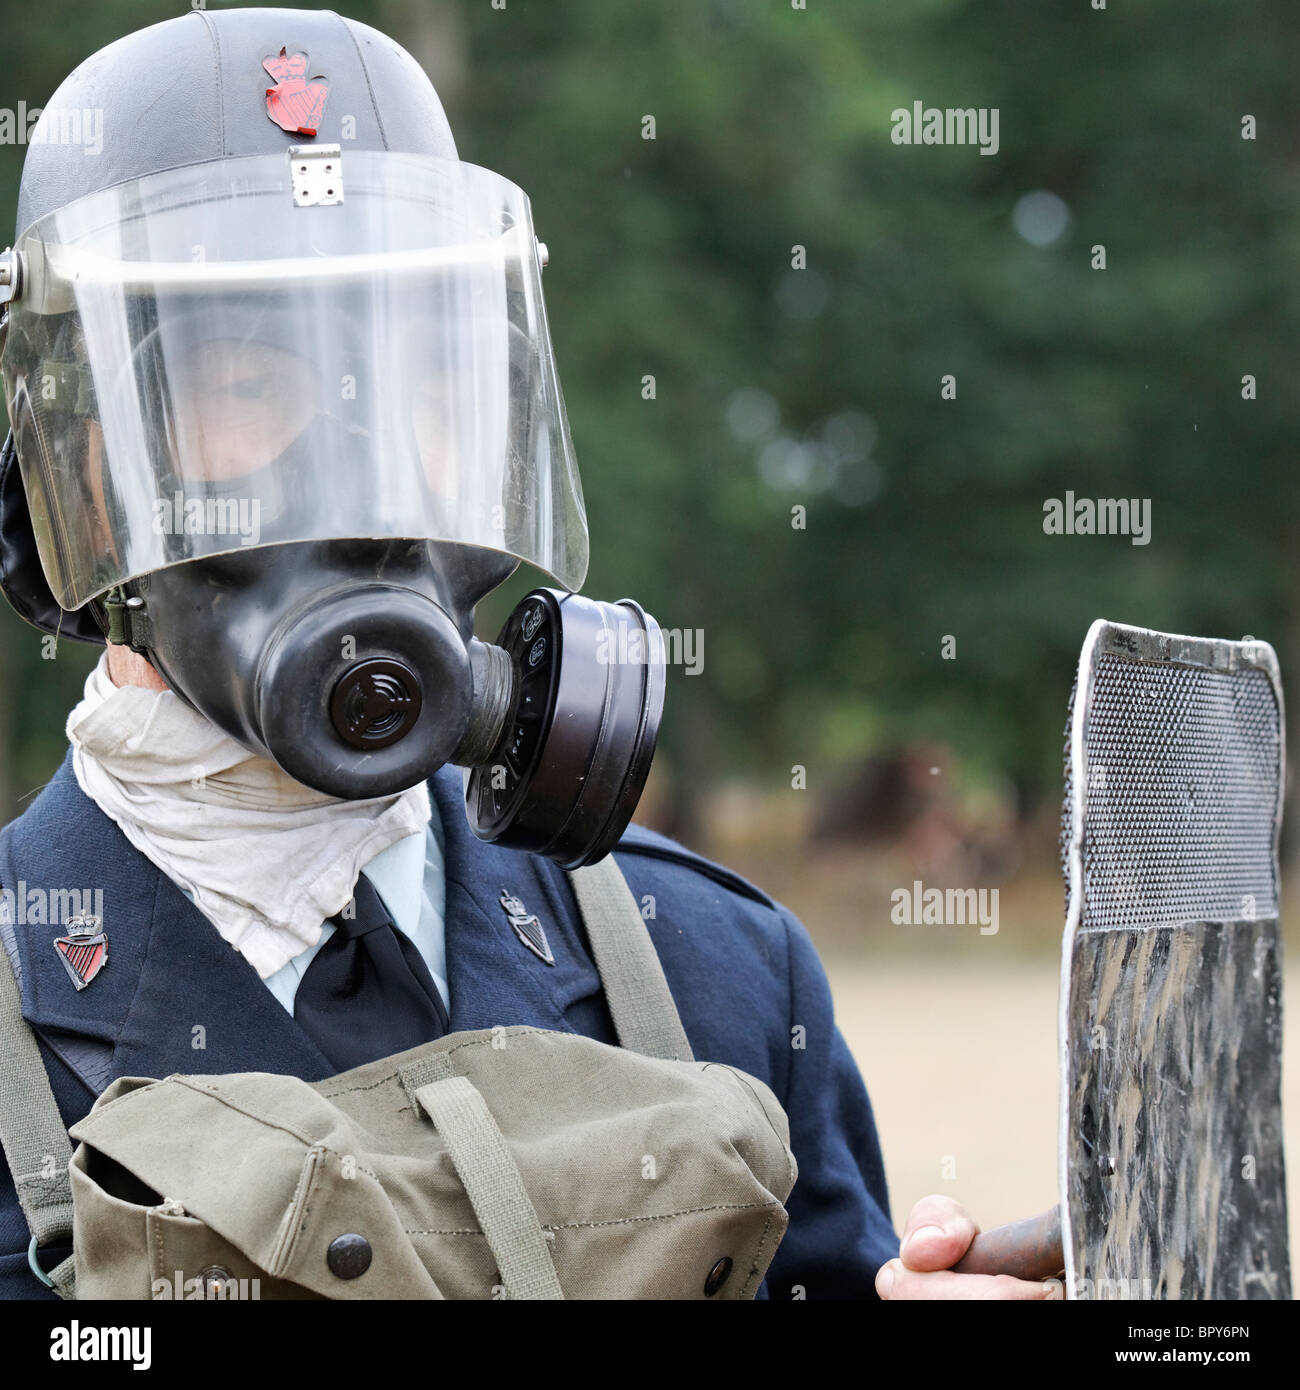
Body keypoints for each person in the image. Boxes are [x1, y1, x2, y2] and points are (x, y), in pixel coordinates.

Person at [0, 6, 1047, 1302]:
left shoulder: (712, 967)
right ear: (77, 487)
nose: (360, 486)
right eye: (252, 385)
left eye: (415, 388)